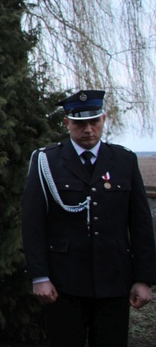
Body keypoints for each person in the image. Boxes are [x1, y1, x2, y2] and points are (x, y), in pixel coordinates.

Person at [22, 90, 156, 346]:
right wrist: (39, 276)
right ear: (67, 123)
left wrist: (143, 278)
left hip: (113, 280)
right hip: (63, 282)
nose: (88, 130)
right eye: (80, 123)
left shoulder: (124, 160)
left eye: (94, 121)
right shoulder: (46, 161)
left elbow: (140, 224)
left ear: (104, 119)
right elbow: (33, 223)